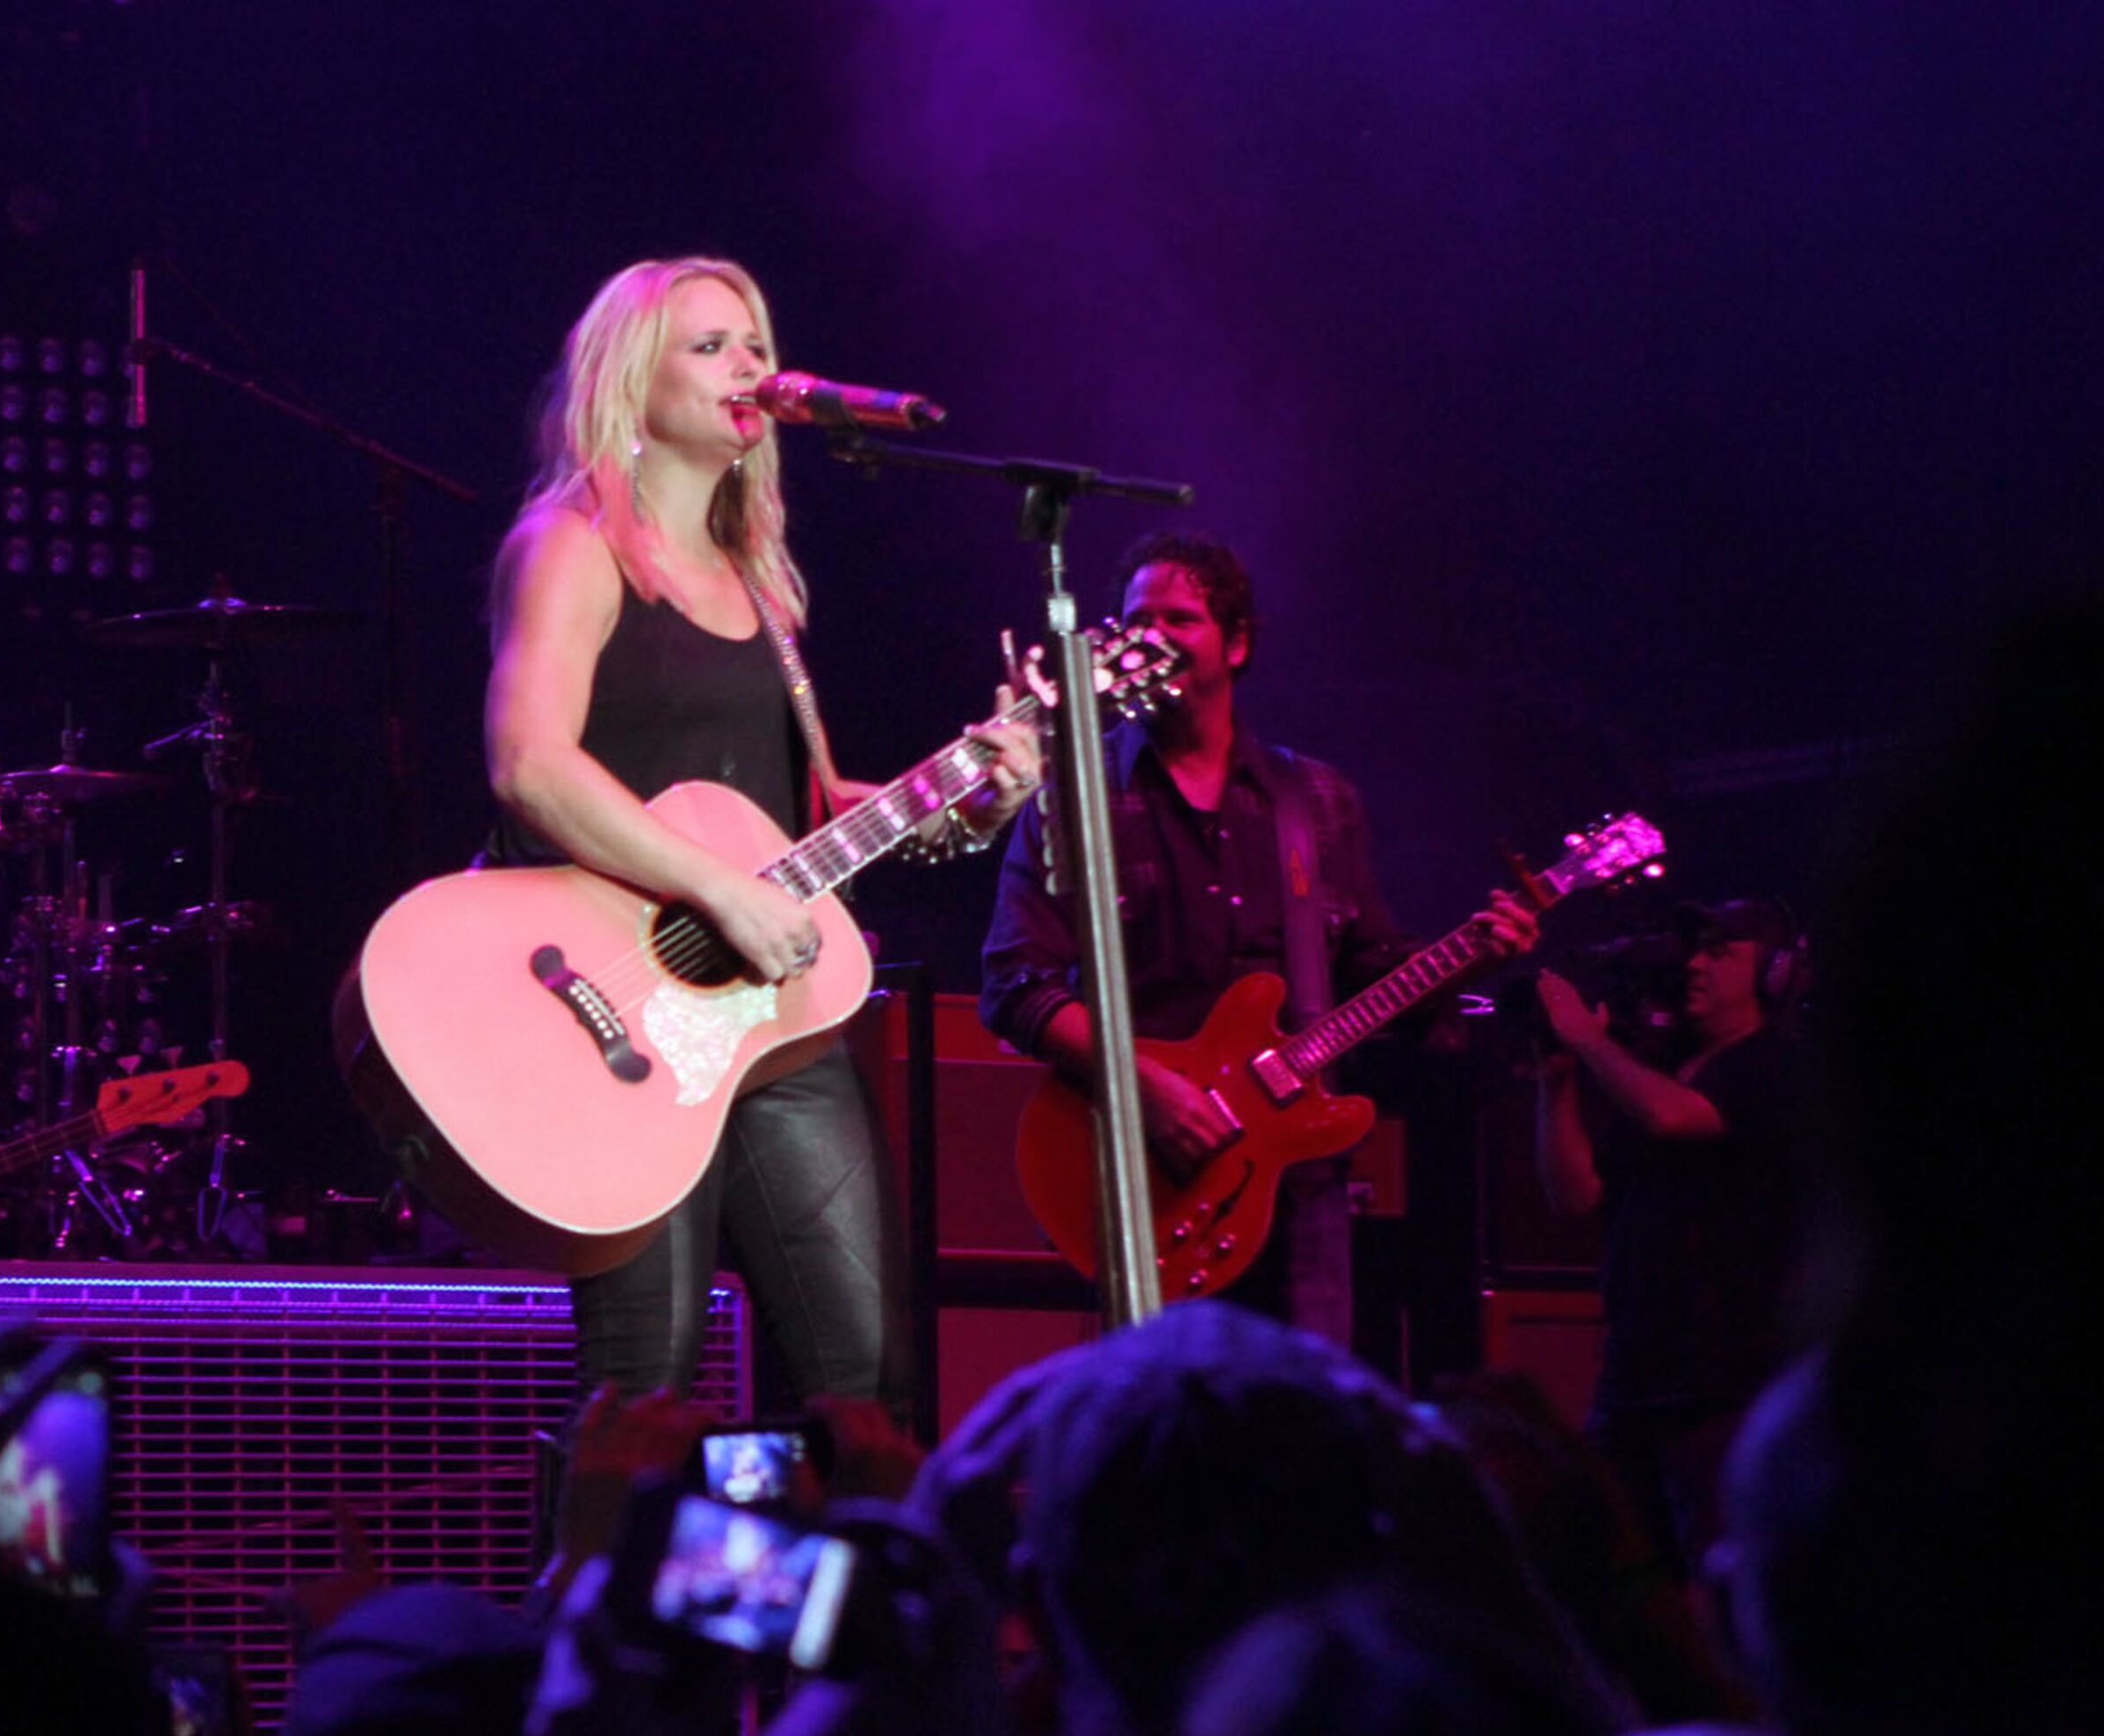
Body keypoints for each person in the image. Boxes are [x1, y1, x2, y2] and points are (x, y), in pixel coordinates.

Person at [483, 257, 1043, 1400]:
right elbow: (530, 763)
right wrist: (719, 890)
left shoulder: (760, 586)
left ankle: (827, 1581)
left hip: (773, 1023)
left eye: (755, 343)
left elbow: (812, 818)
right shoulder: (572, 545)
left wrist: (969, 792)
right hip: (620, 1017)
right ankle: (598, 1587)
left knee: (864, 1371)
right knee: (646, 1377)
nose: (752, 366)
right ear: (629, 381)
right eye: (712, 347)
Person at [980, 532, 1535, 1349]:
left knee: (1291, 1445)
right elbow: (1014, 986)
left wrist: (1474, 954)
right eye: (1137, 620)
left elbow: (1365, 968)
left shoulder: (1315, 800)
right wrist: (1147, 1090)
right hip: (1144, 1180)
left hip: (1293, 1185)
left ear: (1235, 643)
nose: (1154, 637)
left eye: (1181, 618)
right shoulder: (1075, 790)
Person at [1532, 899, 1806, 1571]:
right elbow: (1574, 1195)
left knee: (1716, 1574)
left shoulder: (1778, 1063)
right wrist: (1558, 1078)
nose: (1695, 964)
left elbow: (1676, 1121)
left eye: (1721, 952)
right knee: (1605, 1570)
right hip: (1634, 1368)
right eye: (1695, 950)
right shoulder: (1667, 1066)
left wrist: (1592, 1041)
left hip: (1724, 1373)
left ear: (1775, 972)